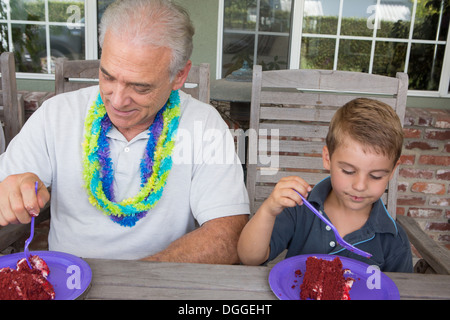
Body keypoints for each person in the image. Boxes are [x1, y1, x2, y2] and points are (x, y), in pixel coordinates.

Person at [0, 0, 249, 263]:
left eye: (140, 88)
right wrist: (11, 193)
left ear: (179, 75)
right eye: (107, 77)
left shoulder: (204, 124)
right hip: (66, 282)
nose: (117, 101)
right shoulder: (56, 114)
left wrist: (134, 282)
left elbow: (227, 235)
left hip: (159, 284)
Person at [238, 98, 413, 272]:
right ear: (327, 159)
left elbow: (400, 292)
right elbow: (250, 258)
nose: (360, 186)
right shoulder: (300, 208)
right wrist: (268, 210)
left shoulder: (394, 241)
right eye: (348, 171)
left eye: (376, 176)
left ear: (392, 171)